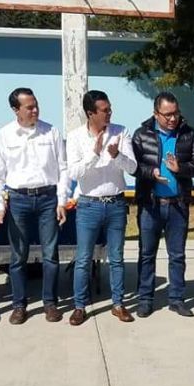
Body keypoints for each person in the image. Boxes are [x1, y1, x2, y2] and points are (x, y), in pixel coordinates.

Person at [0, 88, 70, 324]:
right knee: (18, 257)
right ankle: (19, 305)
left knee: (50, 255)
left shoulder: (51, 132)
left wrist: (61, 200)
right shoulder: (4, 135)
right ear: (16, 110)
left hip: (47, 199)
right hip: (18, 200)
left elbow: (62, 169)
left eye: (36, 105)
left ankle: (50, 303)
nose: (35, 110)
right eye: (29, 107)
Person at [131, 92, 194, 318]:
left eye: (175, 113)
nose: (173, 119)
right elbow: (132, 166)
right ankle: (145, 299)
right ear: (156, 114)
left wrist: (180, 169)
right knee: (147, 254)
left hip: (177, 205)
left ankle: (177, 299)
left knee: (177, 255)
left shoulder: (187, 134)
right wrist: (150, 173)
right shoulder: (141, 135)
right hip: (150, 204)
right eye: (167, 115)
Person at [66, 90, 137, 326]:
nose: (109, 113)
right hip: (89, 205)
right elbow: (74, 173)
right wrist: (94, 154)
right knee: (83, 258)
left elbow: (133, 167)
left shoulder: (120, 131)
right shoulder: (75, 137)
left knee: (116, 258)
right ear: (90, 113)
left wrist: (116, 156)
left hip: (116, 203)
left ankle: (118, 304)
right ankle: (79, 306)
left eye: (109, 108)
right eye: (104, 110)